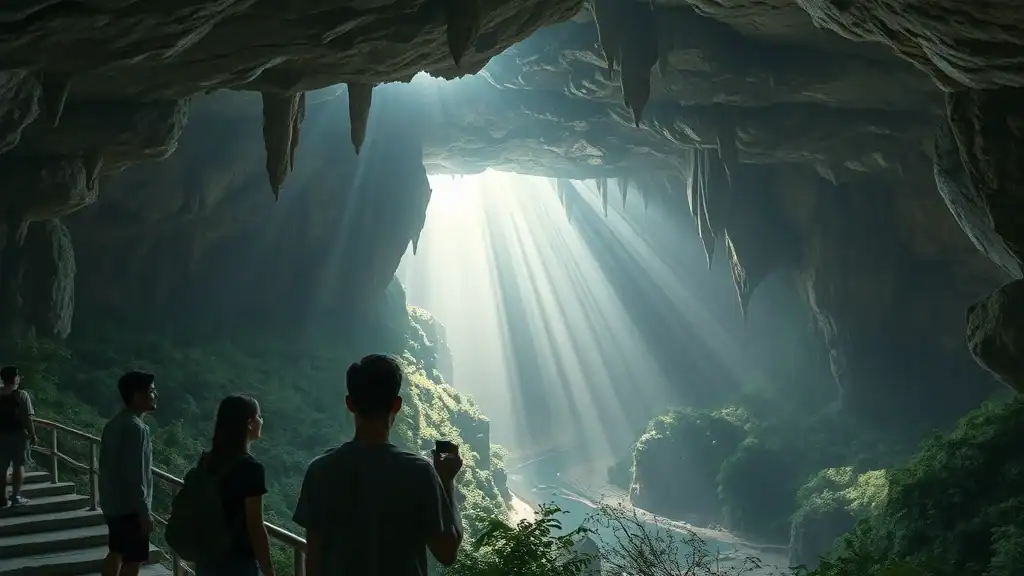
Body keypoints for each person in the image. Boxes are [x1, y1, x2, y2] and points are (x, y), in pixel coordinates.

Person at [293, 354, 464, 576]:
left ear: (350, 404)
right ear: (397, 405)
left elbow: (313, 559)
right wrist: (447, 482)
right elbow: (446, 552)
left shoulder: (320, 471)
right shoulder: (419, 473)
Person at [192, 395, 274, 576]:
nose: (261, 421)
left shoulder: (207, 460)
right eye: (259, 416)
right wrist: (268, 570)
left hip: (207, 557)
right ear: (249, 424)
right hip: (238, 562)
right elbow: (255, 525)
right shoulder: (251, 468)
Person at [98, 371, 157, 576]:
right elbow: (135, 474)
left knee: (117, 551)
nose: (156, 395)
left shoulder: (116, 423)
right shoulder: (135, 428)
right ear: (137, 396)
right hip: (130, 507)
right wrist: (144, 511)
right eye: (151, 391)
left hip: (113, 502)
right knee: (133, 560)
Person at [0, 365, 37, 506]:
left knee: (1, 468)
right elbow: (27, 418)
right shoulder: (21, 395)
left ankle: (2, 498)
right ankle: (15, 497)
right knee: (18, 466)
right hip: (17, 436)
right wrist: (32, 434)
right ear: (15, 378)